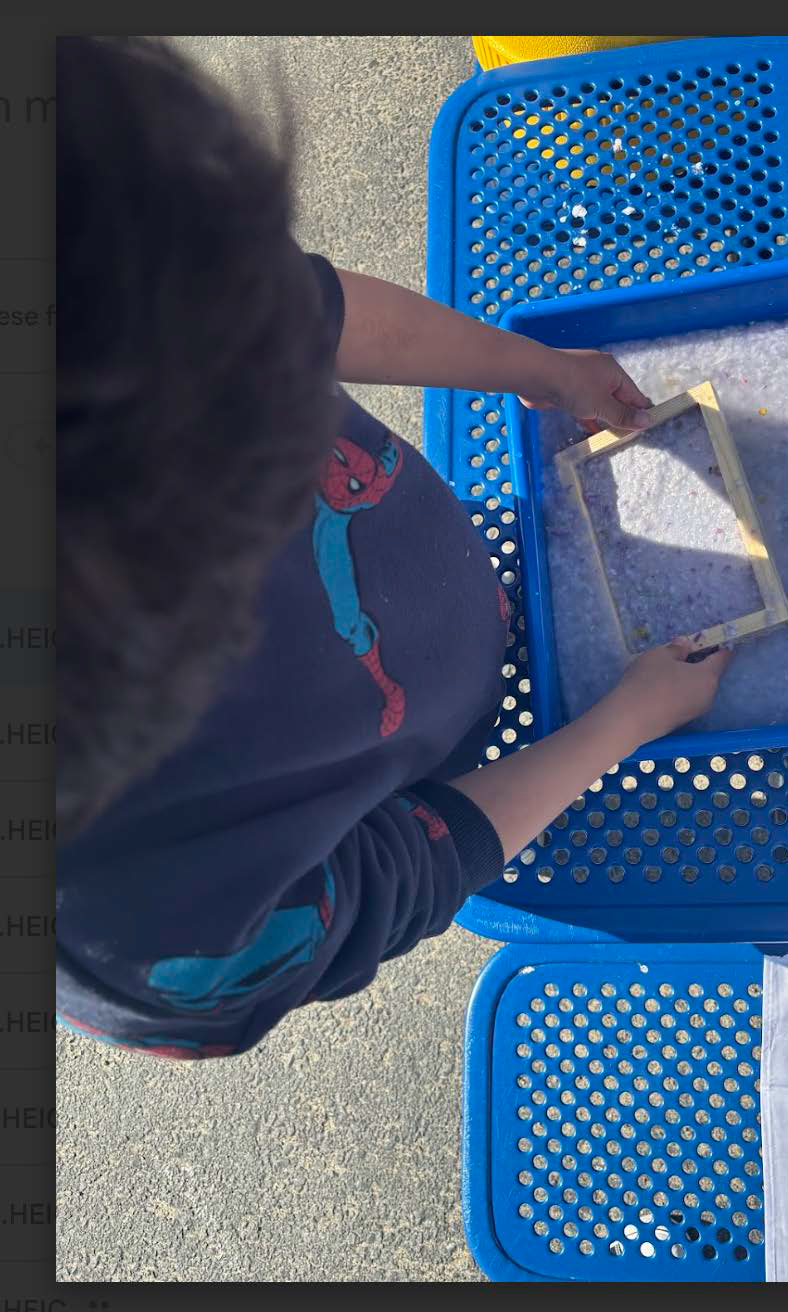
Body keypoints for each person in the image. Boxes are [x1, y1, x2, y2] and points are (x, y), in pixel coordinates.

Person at [57, 37, 730, 1059]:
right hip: (431, 762)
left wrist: (534, 370)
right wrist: (622, 723)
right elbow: (395, 873)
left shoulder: (106, 267)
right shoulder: (155, 952)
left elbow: (311, 312)